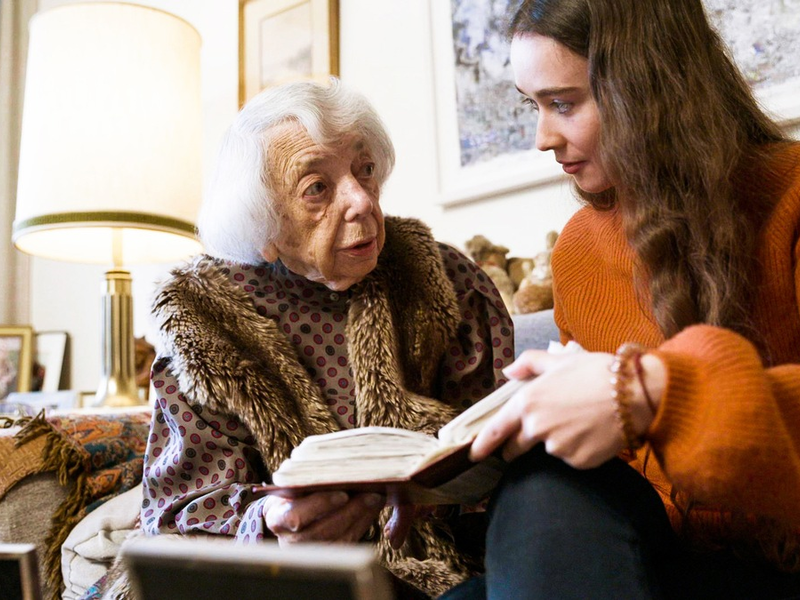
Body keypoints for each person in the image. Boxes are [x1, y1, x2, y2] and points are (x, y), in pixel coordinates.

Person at [433, 0, 800, 598]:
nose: (541, 138)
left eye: (563, 104)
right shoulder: (579, 250)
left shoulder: (791, 195)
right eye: (533, 106)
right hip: (646, 555)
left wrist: (654, 393)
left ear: (649, 87)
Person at [140, 79, 514, 599]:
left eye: (365, 171)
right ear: (263, 222)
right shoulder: (203, 321)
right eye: (317, 187)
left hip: (444, 568)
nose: (361, 201)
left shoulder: (444, 278)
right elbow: (175, 514)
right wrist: (269, 524)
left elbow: (500, 454)